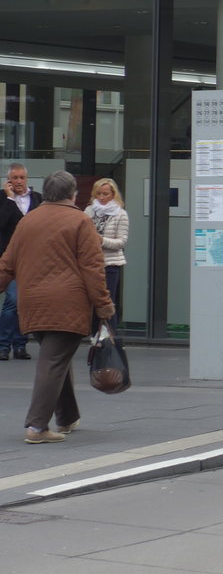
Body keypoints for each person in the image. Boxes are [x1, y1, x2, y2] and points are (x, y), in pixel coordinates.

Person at [0, 170, 114, 443]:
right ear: (72, 194)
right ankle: (37, 427)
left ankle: (67, 417)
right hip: (68, 303)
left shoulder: (28, 221)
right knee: (53, 360)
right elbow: (93, 268)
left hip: (31, 303)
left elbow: (7, 263)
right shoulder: (79, 221)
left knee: (56, 358)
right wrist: (104, 304)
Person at [0, 163, 42, 360]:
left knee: (24, 303)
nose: (18, 181)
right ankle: (4, 345)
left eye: (21, 178)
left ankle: (20, 345)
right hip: (9, 258)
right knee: (12, 300)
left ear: (27, 178)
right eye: (14, 178)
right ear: (9, 180)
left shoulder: (37, 199)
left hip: (32, 259)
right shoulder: (2, 198)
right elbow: (2, 223)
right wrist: (9, 199)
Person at [83, 178, 129, 330]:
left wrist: (101, 240)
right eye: (98, 194)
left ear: (113, 194)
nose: (101, 198)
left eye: (105, 194)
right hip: (90, 264)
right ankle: (95, 340)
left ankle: (109, 340)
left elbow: (121, 242)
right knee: (92, 304)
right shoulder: (89, 211)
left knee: (107, 304)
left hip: (110, 264)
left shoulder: (120, 214)